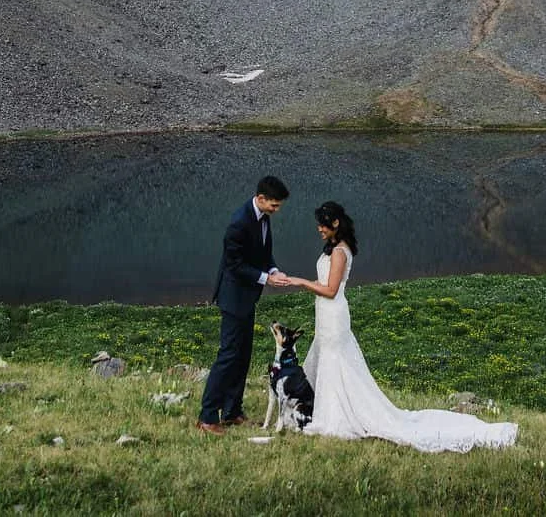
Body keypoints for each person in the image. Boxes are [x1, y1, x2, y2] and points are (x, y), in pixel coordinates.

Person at [274, 200, 518, 452]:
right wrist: (292, 280)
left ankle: (336, 416)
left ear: (335, 223)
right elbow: (324, 281)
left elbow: (331, 290)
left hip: (333, 315)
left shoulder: (339, 252)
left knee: (336, 363)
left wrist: (299, 282)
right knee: (327, 361)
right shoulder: (333, 249)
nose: (319, 229)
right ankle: (322, 408)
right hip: (324, 317)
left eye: (322, 225)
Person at [198, 175, 289, 432]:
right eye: (274, 205)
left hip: (247, 297)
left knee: (243, 355)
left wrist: (273, 268)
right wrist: (266, 278)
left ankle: (231, 411)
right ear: (261, 199)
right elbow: (233, 264)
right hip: (233, 297)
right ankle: (207, 417)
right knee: (228, 356)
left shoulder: (262, 217)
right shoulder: (238, 223)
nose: (276, 210)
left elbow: (263, 251)